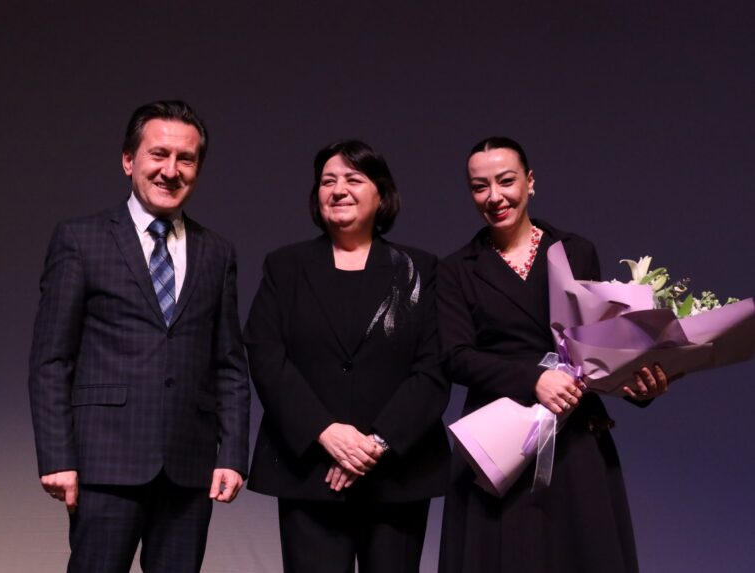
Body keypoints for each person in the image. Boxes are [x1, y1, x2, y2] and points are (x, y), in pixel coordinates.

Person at [28, 100, 250, 573]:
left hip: (189, 467)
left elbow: (230, 364)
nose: (171, 170)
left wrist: (232, 454)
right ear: (129, 160)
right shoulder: (80, 240)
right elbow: (51, 360)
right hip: (105, 463)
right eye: (158, 154)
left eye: (185, 159)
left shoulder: (217, 252)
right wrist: (56, 456)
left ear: (198, 169)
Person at [437, 136, 669, 573]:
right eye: (479, 187)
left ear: (530, 182)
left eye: (506, 181)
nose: (494, 197)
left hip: (575, 434)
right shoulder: (455, 269)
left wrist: (640, 388)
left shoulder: (575, 251)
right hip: (498, 441)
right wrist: (534, 379)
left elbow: (598, 345)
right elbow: (455, 356)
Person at [244, 140, 451, 573]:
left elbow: (434, 368)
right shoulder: (284, 266)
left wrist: (375, 444)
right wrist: (325, 431)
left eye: (353, 179)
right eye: (327, 181)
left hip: (397, 474)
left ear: (381, 194)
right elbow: (266, 356)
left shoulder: (419, 269)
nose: (338, 190)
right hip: (310, 471)